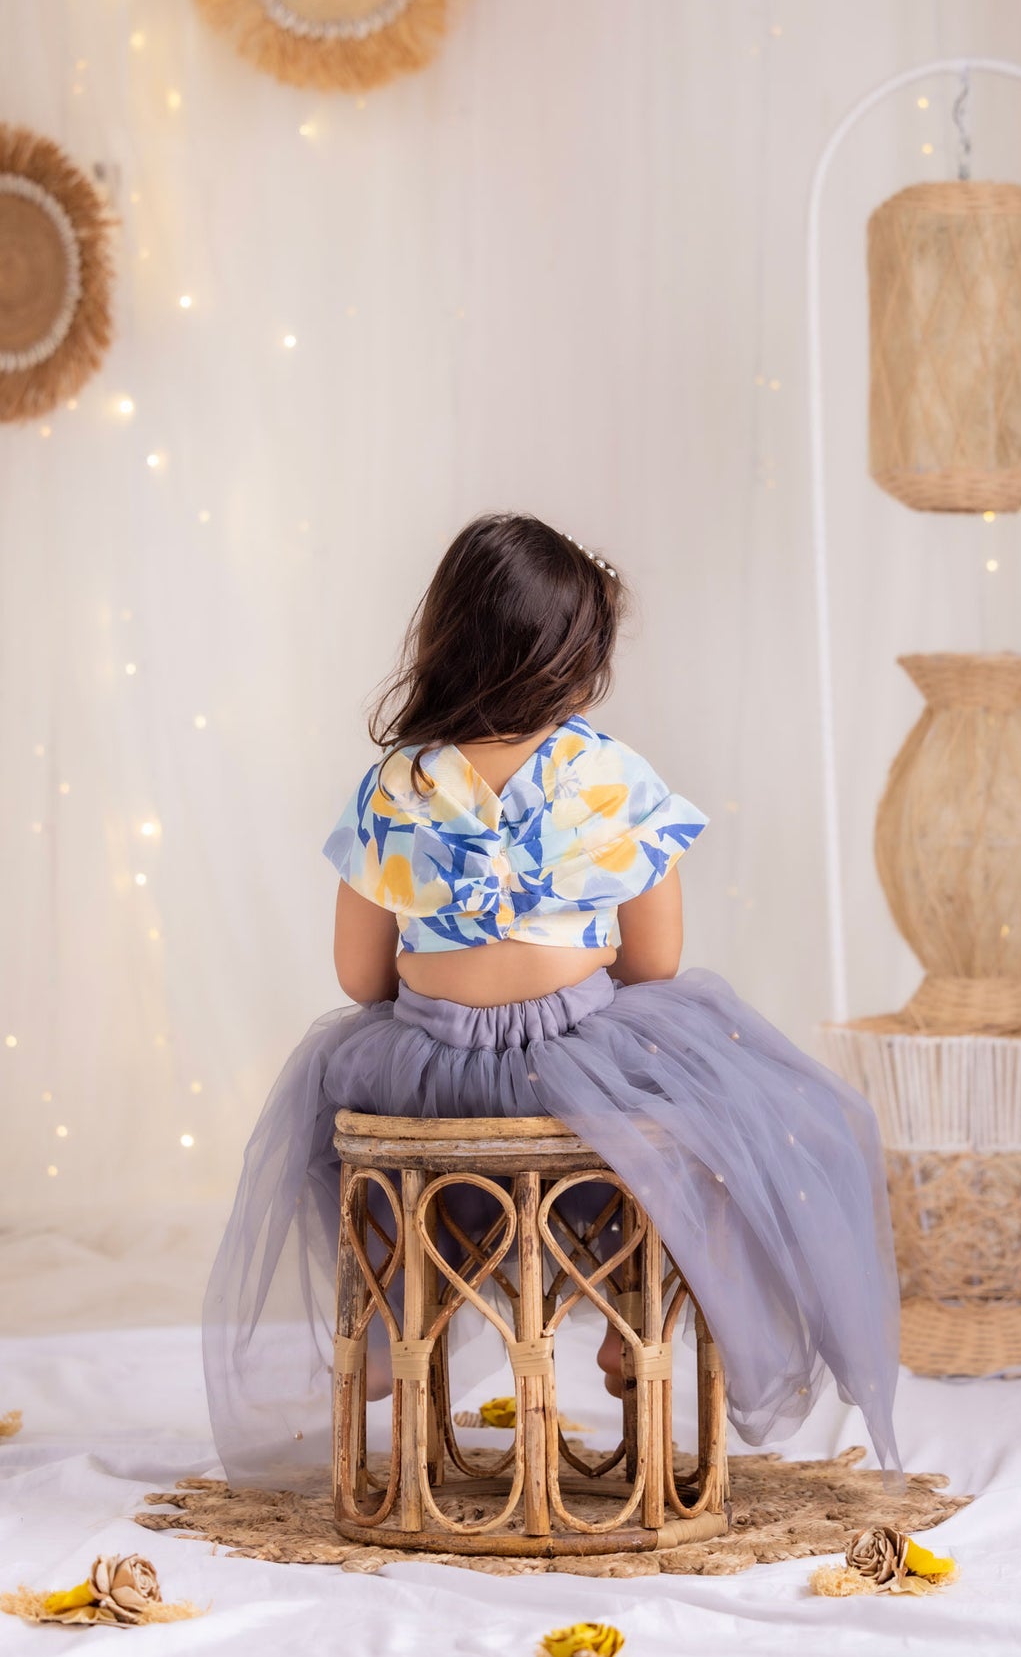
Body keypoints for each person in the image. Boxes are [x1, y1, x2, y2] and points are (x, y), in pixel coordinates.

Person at [203, 512, 901, 1485]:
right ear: (573, 660)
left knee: (333, 1133)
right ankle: (633, 1304)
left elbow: (359, 977)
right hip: (577, 1062)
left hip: (425, 1072)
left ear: (444, 641)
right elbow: (656, 962)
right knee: (729, 1129)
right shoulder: (610, 778)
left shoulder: (394, 785)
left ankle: (391, 1303)